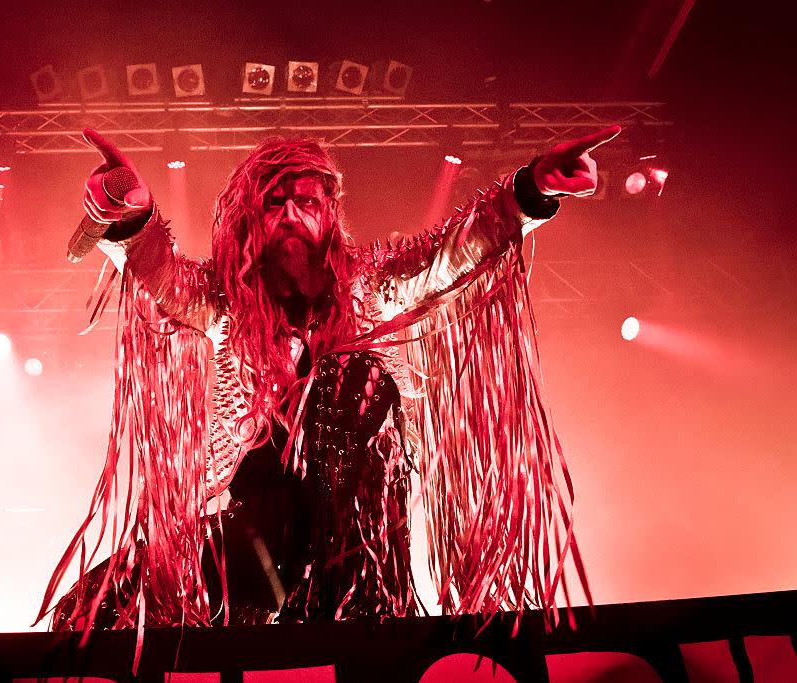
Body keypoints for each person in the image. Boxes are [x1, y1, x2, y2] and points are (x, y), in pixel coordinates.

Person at [37, 125, 620, 634]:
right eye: (274, 204)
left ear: (329, 213)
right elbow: (163, 278)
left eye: (305, 202)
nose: (291, 215)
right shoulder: (227, 301)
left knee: (354, 373)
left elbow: (457, 249)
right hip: (261, 515)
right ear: (252, 221)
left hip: (361, 522)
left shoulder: (376, 286)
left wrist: (534, 188)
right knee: (105, 607)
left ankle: (359, 612)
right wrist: (132, 217)